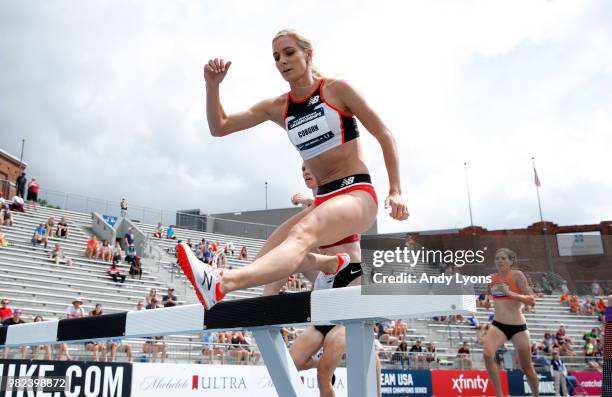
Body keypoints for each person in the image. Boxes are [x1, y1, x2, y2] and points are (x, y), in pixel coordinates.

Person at [178, 28, 408, 311]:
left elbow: (385, 135)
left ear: (307, 54)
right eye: (276, 57)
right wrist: (212, 87)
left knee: (300, 235)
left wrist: (395, 190)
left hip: (355, 194)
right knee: (268, 257)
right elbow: (219, 127)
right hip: (324, 200)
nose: (282, 62)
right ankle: (327, 267)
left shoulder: (337, 89)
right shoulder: (278, 107)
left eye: (289, 53)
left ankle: (222, 283)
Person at [483, 248, 539, 397]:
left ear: (511, 261)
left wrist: (510, 293)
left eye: (503, 258)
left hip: (518, 326)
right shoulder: (492, 278)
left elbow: (531, 300)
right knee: (487, 355)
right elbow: (489, 295)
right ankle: (499, 395)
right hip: (498, 325)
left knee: (527, 368)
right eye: (497, 258)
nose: (499, 261)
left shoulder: (517, 275)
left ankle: (536, 394)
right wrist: (486, 301)